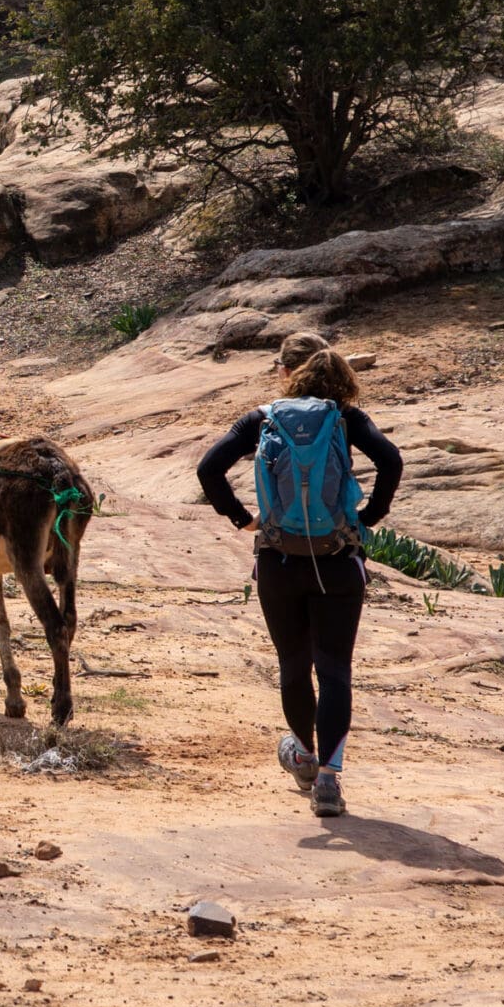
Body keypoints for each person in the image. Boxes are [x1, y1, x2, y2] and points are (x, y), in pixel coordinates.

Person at [195, 331, 403, 819]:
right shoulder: (347, 419)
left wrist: (242, 518)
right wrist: (369, 515)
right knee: (333, 670)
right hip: (336, 558)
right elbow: (391, 459)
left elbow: (209, 469)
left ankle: (304, 758)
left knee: (293, 663)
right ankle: (328, 782)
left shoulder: (261, 418)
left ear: (288, 372)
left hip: (278, 560)